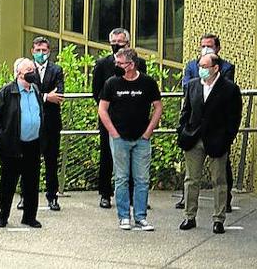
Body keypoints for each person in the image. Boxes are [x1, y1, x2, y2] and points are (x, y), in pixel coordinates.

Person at [98, 48, 163, 231]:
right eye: (116, 63)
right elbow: (102, 109)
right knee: (121, 178)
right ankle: (124, 216)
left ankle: (141, 217)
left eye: (120, 63)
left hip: (141, 138)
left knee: (142, 179)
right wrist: (114, 133)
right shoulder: (111, 83)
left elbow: (158, 107)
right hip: (119, 138)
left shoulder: (148, 83)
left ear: (132, 64)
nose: (116, 66)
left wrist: (148, 132)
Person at [177, 54, 241, 234]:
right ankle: (189, 216)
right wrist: (182, 131)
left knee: (219, 181)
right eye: (199, 66)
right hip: (193, 138)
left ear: (215, 68)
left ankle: (218, 219)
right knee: (191, 179)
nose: (201, 69)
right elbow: (186, 111)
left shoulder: (229, 89)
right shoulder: (192, 85)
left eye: (205, 66)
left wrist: (226, 139)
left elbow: (234, 118)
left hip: (217, 141)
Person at [90, 28, 147, 209]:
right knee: (107, 155)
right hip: (110, 118)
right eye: (113, 43)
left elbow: (145, 89)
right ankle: (105, 193)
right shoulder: (102, 64)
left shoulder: (140, 63)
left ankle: (132, 195)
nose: (116, 46)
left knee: (134, 156)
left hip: (133, 119)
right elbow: (96, 92)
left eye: (120, 43)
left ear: (128, 43)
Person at [0, 58, 44, 229]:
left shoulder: (35, 90)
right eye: (28, 70)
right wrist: (2, 138)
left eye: (33, 69)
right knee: (8, 183)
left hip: (33, 144)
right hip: (12, 146)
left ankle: (29, 216)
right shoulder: (6, 92)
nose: (32, 72)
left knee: (32, 183)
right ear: (19, 73)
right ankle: (3, 216)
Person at [24, 37, 66, 211]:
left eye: (44, 50)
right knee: (28, 162)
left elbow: (60, 94)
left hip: (51, 123)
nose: (41, 54)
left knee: (51, 161)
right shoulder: (26, 69)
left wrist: (42, 96)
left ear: (49, 51)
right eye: (38, 50)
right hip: (31, 123)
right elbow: (26, 92)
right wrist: (47, 96)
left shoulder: (56, 70)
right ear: (32, 51)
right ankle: (25, 197)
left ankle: (52, 196)